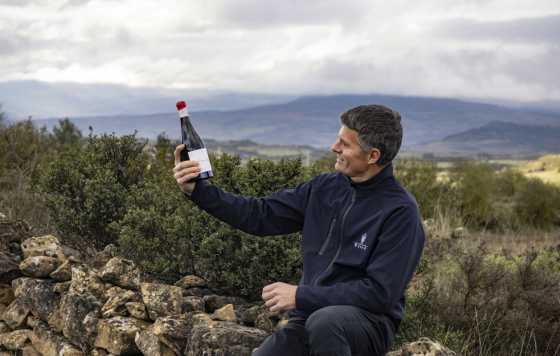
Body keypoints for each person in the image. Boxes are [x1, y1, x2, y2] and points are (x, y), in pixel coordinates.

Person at [173, 104, 425, 356]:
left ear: (373, 156)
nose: (334, 147)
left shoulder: (400, 212)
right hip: (308, 316)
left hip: (366, 325)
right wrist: (198, 191)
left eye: (345, 144)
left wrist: (301, 296)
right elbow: (260, 215)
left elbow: (379, 294)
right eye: (338, 139)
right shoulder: (324, 188)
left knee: (326, 323)